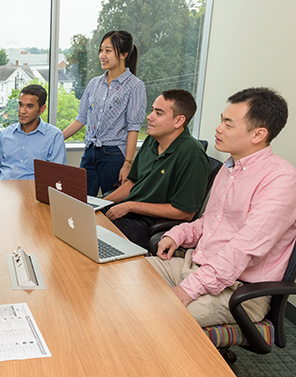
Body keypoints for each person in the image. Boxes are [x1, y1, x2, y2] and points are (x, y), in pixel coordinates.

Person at [151, 87, 296, 327]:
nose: (218, 128)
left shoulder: (282, 180)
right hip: (198, 266)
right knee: (126, 279)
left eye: (228, 124)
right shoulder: (230, 167)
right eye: (221, 120)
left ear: (258, 134)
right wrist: (177, 235)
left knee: (158, 317)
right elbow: (211, 221)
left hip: (239, 291)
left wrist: (188, 290)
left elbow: (242, 250)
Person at [102, 89, 209, 249]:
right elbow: (133, 183)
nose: (149, 117)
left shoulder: (192, 154)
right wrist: (99, 204)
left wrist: (130, 205)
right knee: (84, 218)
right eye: (152, 110)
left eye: (158, 113)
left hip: (149, 223)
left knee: (96, 232)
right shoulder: (152, 140)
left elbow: (185, 213)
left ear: (179, 121)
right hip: (130, 211)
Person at [62, 30, 146, 196]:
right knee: (80, 201)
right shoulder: (94, 83)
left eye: (108, 51)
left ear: (123, 54)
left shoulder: (135, 86)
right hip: (90, 151)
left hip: (114, 154)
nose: (102, 55)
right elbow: (81, 119)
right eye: (101, 50)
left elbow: (133, 128)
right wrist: (55, 137)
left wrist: (127, 163)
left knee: (110, 206)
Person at [0, 84, 67, 181]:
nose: (22, 111)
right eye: (20, 105)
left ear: (42, 109)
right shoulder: (6, 133)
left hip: (33, 193)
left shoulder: (54, 136)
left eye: (30, 106)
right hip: (3, 191)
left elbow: (55, 175)